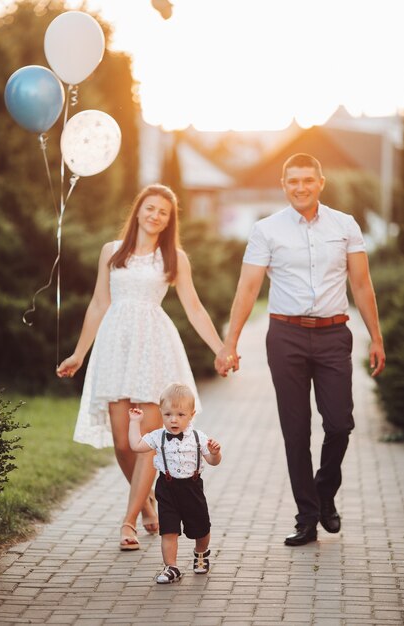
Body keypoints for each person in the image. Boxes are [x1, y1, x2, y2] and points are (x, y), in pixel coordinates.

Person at [215, 153, 385, 546]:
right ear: (284, 184)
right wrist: (231, 342)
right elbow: (248, 288)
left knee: (340, 424)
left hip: (333, 335)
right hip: (285, 336)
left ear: (320, 182)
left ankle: (324, 493)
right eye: (293, 181)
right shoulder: (266, 230)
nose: (301, 187)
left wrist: (376, 337)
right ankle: (307, 517)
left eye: (308, 179)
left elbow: (361, 285)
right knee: (295, 431)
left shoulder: (345, 225)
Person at [56, 184, 224, 551]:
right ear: (138, 210)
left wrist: (221, 348)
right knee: (121, 441)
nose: (155, 216)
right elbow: (100, 303)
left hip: (154, 347)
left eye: (163, 212)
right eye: (150, 208)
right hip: (115, 345)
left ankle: (128, 521)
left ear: (168, 220)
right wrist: (79, 354)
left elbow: (194, 307)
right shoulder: (111, 252)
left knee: (146, 442)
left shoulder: (175, 258)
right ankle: (147, 502)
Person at [128, 382, 221, 583]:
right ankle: (171, 567)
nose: (173, 420)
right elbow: (136, 446)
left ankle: (201, 553)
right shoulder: (157, 436)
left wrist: (215, 453)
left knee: (201, 528)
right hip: (167, 488)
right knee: (168, 530)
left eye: (180, 415)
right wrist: (135, 422)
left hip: (192, 488)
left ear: (192, 414)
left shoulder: (198, 437)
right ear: (161, 413)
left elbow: (213, 462)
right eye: (168, 414)